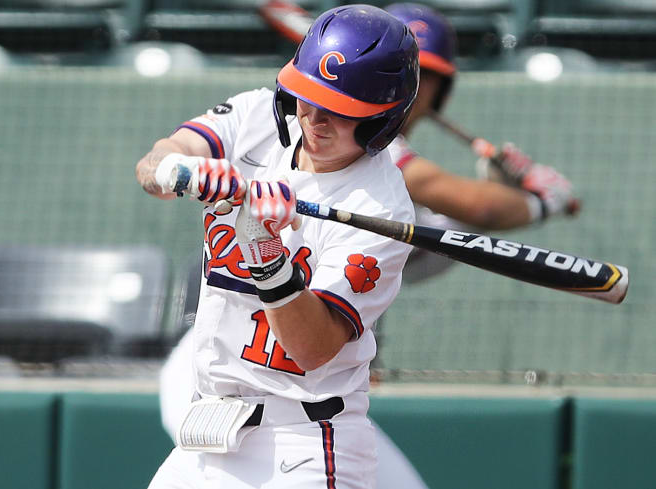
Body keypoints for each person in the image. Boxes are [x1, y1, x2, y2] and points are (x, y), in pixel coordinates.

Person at [157, 4, 578, 489]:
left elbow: (473, 213)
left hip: (301, 418)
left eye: (436, 81)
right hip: (210, 388)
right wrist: (539, 202)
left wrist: (521, 197)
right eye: (310, 97)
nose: (316, 118)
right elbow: (477, 207)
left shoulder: (384, 189)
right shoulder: (276, 124)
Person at [137, 5, 419, 489]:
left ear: (381, 121)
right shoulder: (256, 119)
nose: (315, 118)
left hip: (303, 441)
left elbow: (312, 348)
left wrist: (264, 248)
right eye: (308, 97)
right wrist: (182, 172)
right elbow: (154, 163)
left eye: (341, 111)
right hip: (208, 432)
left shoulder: (381, 209)